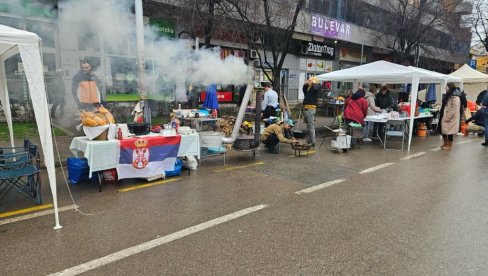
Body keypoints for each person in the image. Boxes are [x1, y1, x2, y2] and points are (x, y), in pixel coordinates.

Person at [438, 83, 463, 150]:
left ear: (449, 87)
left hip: (450, 117)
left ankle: (449, 144)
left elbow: (455, 107)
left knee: (449, 131)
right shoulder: (449, 94)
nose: (445, 88)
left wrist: (449, 116)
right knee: (443, 130)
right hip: (445, 115)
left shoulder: (455, 96)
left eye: (446, 87)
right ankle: (446, 143)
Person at [302, 76, 320, 146]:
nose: (308, 81)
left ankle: (313, 142)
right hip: (306, 109)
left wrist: (314, 82)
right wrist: (305, 84)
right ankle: (310, 139)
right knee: (308, 126)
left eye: (309, 81)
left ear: (313, 82)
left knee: (311, 126)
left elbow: (315, 88)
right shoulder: (308, 87)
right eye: (308, 80)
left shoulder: (315, 87)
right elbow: (303, 90)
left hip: (311, 109)